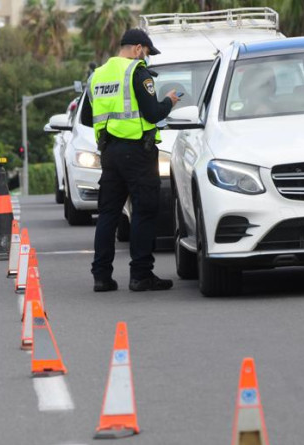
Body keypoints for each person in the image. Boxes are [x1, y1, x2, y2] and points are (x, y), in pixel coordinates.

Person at [81, 28, 180, 293]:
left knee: (108, 214)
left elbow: (84, 117)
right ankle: (141, 275)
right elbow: (151, 113)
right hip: (137, 152)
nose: (146, 59)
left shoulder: (97, 75)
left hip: (109, 153)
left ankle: (101, 277)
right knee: (144, 211)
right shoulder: (137, 72)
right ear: (138, 49)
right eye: (146, 53)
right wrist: (169, 102)